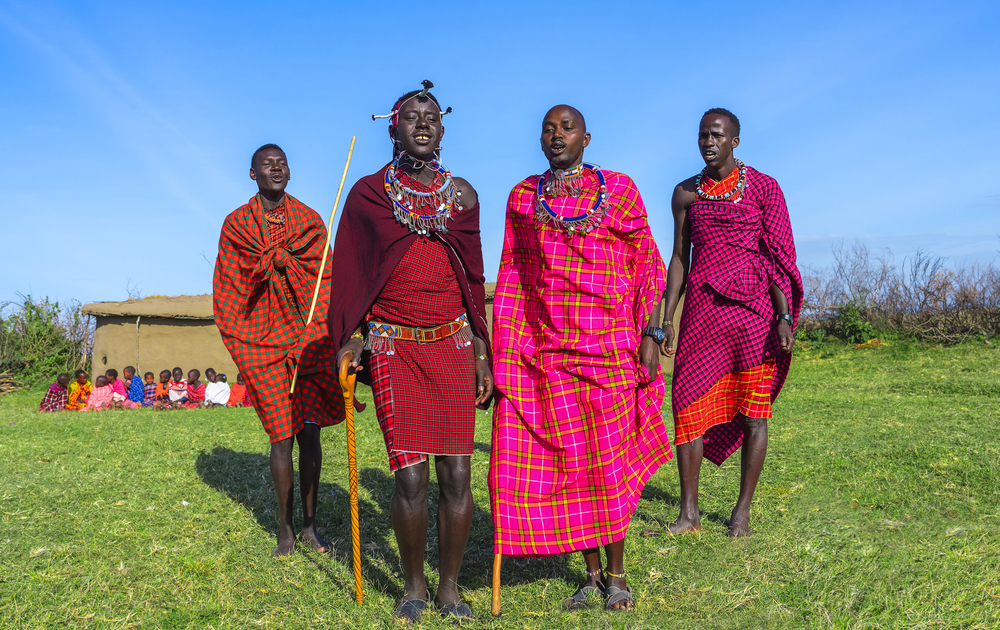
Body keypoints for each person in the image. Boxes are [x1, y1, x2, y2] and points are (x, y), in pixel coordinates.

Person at [490, 105, 673, 612]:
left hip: (610, 349)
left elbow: (648, 266)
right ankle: (590, 575)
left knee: (607, 465)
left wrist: (653, 334)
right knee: (570, 463)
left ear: (586, 137)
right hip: (548, 352)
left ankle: (617, 575)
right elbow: (514, 276)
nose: (556, 136)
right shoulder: (524, 197)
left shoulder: (619, 190)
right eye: (548, 128)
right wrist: (506, 351)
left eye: (566, 128)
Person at [329, 81, 491, 623]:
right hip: (395, 346)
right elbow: (350, 274)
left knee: (458, 476)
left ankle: (450, 588)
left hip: (453, 345)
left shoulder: (463, 196)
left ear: (442, 130)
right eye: (411, 116)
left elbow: (473, 279)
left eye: (431, 117)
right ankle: (415, 587)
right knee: (410, 478)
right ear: (393, 127)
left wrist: (482, 352)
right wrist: (351, 334)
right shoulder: (370, 196)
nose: (422, 123)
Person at [661, 108, 802, 538]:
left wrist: (783, 316)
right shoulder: (686, 193)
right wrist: (666, 316)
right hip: (703, 312)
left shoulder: (763, 188)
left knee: (754, 413)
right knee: (686, 404)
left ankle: (741, 511)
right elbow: (679, 259)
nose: (708, 141)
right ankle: (689, 513)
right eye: (703, 135)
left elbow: (778, 258)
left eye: (717, 135)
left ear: (734, 141)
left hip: (753, 314)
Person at [214, 143, 345, 557]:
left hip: (306, 332)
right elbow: (228, 290)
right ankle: (285, 530)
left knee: (309, 430)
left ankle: (309, 526)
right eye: (268, 164)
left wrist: (322, 324)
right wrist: (243, 330)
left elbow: (327, 276)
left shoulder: (309, 221)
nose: (277, 168)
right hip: (259, 337)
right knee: (281, 434)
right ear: (252, 174)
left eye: (282, 163)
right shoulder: (237, 225)